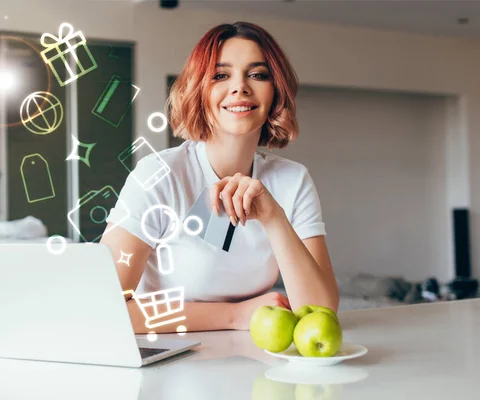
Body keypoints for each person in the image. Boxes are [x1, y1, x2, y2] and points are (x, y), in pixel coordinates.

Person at [101, 21, 339, 334]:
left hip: (253, 363)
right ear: (199, 90)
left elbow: (320, 313)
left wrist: (274, 218)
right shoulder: (158, 175)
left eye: (257, 74)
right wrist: (234, 316)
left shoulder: (293, 181)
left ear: (276, 91)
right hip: (167, 367)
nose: (240, 87)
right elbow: (104, 307)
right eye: (221, 75)